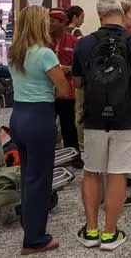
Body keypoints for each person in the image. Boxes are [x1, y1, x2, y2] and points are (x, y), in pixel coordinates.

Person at [73, 0, 131, 250]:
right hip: (128, 117)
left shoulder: (84, 44)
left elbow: (76, 83)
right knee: (118, 173)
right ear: (121, 15)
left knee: (92, 172)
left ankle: (90, 231)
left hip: (95, 118)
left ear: (99, 16)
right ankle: (110, 234)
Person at [8, 5, 70, 254]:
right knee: (40, 180)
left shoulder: (15, 52)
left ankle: (28, 223)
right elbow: (64, 91)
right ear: (38, 24)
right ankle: (34, 239)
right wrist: (60, 74)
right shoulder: (45, 54)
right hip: (39, 117)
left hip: (18, 117)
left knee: (27, 177)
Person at [48, 9, 80, 160]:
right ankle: (49, 156)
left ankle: (74, 157)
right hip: (46, 91)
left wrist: (71, 68)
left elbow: (81, 64)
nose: (49, 23)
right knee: (47, 126)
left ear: (62, 22)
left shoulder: (73, 41)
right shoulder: (43, 41)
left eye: (53, 20)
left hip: (66, 91)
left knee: (68, 126)